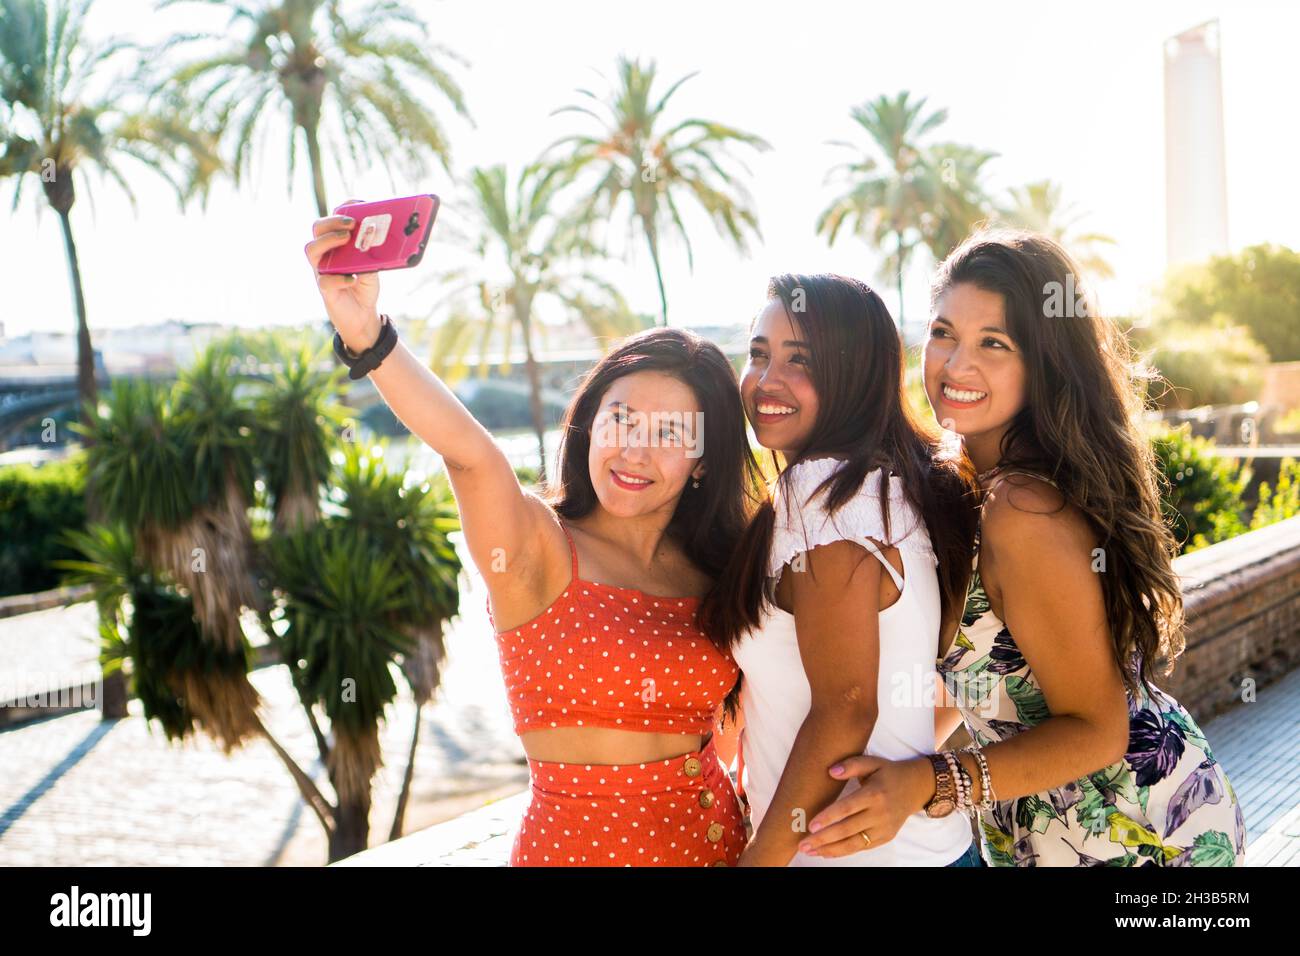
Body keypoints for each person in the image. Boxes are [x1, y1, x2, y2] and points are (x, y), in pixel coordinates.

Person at [304, 201, 765, 865]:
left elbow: (729, 732)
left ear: (703, 463)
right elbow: (469, 454)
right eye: (621, 420)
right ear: (588, 424)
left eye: (669, 435)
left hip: (719, 845)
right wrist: (368, 334)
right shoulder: (538, 546)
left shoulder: (719, 568)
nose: (635, 451)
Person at [801, 231, 1247, 866]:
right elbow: (992, 678)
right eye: (943, 332)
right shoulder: (965, 483)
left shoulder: (1022, 511)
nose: (956, 366)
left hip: (1140, 833)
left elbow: (1098, 729)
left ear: (1042, 364)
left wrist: (929, 783)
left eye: (994, 344)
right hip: (1041, 829)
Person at [697, 273, 983, 866]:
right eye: (758, 354)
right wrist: (900, 770)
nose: (766, 381)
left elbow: (847, 706)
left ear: (853, 374)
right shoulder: (890, 485)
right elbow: (951, 673)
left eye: (800, 360)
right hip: (922, 853)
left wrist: (760, 860)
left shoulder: (824, 495)